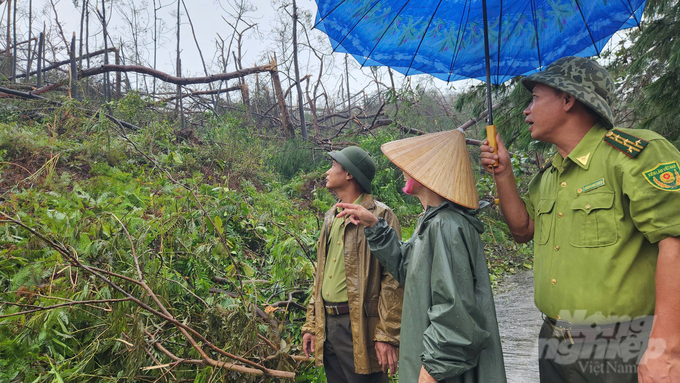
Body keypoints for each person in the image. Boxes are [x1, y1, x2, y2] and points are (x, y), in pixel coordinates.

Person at [480, 56, 680, 383]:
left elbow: (676, 240)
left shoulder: (632, 154)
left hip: (619, 347)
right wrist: (503, 172)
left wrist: (669, 351)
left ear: (568, 99)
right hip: (555, 342)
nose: (525, 110)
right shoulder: (549, 176)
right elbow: (522, 229)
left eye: (534, 99)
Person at [337, 130, 507, 383]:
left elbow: (454, 312)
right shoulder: (431, 222)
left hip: (439, 371)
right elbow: (408, 269)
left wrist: (431, 372)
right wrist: (375, 226)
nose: (403, 172)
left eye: (409, 167)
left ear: (427, 175)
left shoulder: (445, 226)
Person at [301, 146, 404, 383]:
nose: (327, 172)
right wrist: (312, 324)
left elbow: (394, 279)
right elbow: (321, 277)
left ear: (349, 174)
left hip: (360, 326)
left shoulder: (381, 216)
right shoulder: (330, 216)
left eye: (334, 166)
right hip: (329, 326)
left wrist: (387, 334)